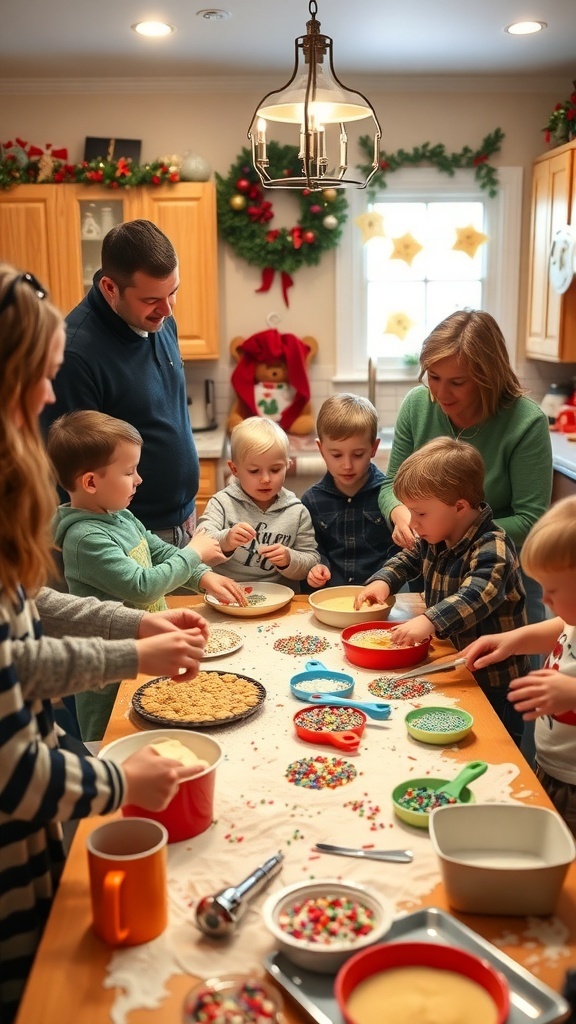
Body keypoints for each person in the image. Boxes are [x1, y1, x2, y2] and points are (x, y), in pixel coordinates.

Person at [0, 264, 209, 1024]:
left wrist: (134, 628)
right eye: (43, 376)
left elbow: (26, 628)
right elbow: (15, 775)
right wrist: (121, 784)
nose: (52, 396)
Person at [377, 309, 552, 758]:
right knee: (451, 704)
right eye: (433, 377)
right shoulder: (420, 405)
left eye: (457, 382)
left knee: (501, 728)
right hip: (447, 572)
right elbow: (391, 484)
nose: (440, 392)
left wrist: (460, 535)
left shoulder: (524, 421)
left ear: (488, 376)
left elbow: (531, 521)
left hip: (500, 581)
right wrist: (405, 517)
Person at [46, 410, 246, 741]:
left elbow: (159, 552)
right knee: (113, 740)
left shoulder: (121, 516)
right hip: (108, 677)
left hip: (147, 653)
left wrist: (201, 576)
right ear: (91, 482)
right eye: (129, 471)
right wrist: (194, 551)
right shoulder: (85, 539)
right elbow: (143, 586)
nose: (138, 479)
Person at [355, 437, 529, 743]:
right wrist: (382, 581)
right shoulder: (436, 534)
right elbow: (408, 558)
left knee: (492, 747)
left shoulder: (494, 546)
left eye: (420, 513)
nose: (413, 522)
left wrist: (430, 621)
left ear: (459, 506)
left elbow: (476, 593)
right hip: (455, 667)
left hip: (495, 681)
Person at [39, 218, 199, 546]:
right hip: (124, 540)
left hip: (181, 525)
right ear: (111, 288)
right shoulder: (74, 354)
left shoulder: (161, 321)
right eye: (151, 299)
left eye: (173, 292)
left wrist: (184, 509)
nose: (167, 310)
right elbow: (68, 475)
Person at [462, 496, 576, 836]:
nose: (544, 600)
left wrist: (571, 691)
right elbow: (559, 628)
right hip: (550, 766)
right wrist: (512, 640)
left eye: (552, 590)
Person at [196, 416, 320, 588]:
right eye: (254, 471)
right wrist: (227, 539)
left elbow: (311, 561)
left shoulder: (297, 511)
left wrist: (288, 558)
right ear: (234, 469)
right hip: (229, 595)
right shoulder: (222, 503)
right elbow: (200, 546)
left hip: (279, 600)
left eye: (275, 469)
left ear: (287, 465)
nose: (265, 479)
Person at [302, 394, 396, 588]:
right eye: (336, 455)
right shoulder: (312, 500)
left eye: (358, 454)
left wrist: (384, 580)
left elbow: (398, 552)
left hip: (380, 596)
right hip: (330, 598)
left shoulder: (388, 496)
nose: (347, 465)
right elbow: (311, 548)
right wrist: (316, 567)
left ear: (374, 448)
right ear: (320, 449)